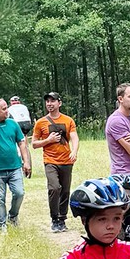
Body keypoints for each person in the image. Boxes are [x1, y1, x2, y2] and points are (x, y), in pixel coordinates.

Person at [0, 98, 31, 231]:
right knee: (0, 199)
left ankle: (13, 216)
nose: (7, 110)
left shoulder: (12, 124)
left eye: (6, 107)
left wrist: (26, 162)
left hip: (14, 167)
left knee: (19, 193)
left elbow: (21, 142)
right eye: (3, 109)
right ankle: (2, 225)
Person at [31, 93, 79, 233]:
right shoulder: (40, 123)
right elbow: (34, 144)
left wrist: (74, 151)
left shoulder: (68, 120)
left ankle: (62, 218)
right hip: (50, 161)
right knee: (54, 188)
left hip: (66, 160)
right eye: (47, 101)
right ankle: (54, 218)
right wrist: (48, 141)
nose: (50, 104)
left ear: (59, 103)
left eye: (53, 101)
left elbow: (74, 137)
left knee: (65, 190)